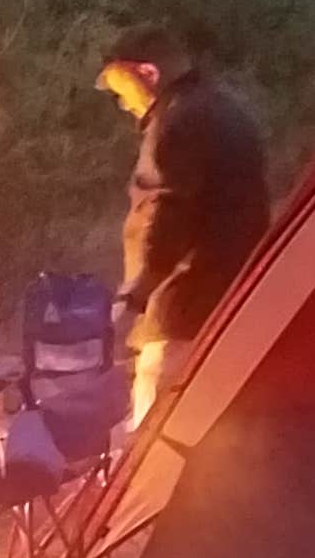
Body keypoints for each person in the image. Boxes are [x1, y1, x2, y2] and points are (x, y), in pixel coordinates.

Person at [96, 24, 272, 442]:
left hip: (182, 314)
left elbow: (165, 212)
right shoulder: (230, 110)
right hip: (235, 308)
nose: (123, 105)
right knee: (218, 449)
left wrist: (134, 296)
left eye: (123, 88)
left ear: (149, 74)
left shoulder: (177, 120)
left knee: (154, 453)